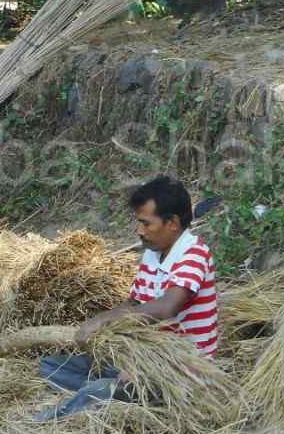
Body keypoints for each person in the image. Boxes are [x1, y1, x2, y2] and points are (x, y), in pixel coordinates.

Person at [35, 176, 218, 420]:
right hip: (145, 357)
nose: (138, 231)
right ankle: (120, 391)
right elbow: (134, 303)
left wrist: (105, 327)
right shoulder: (154, 253)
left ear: (172, 223)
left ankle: (64, 413)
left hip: (181, 370)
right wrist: (100, 323)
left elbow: (167, 307)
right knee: (50, 366)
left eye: (145, 223)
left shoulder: (194, 254)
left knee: (94, 390)